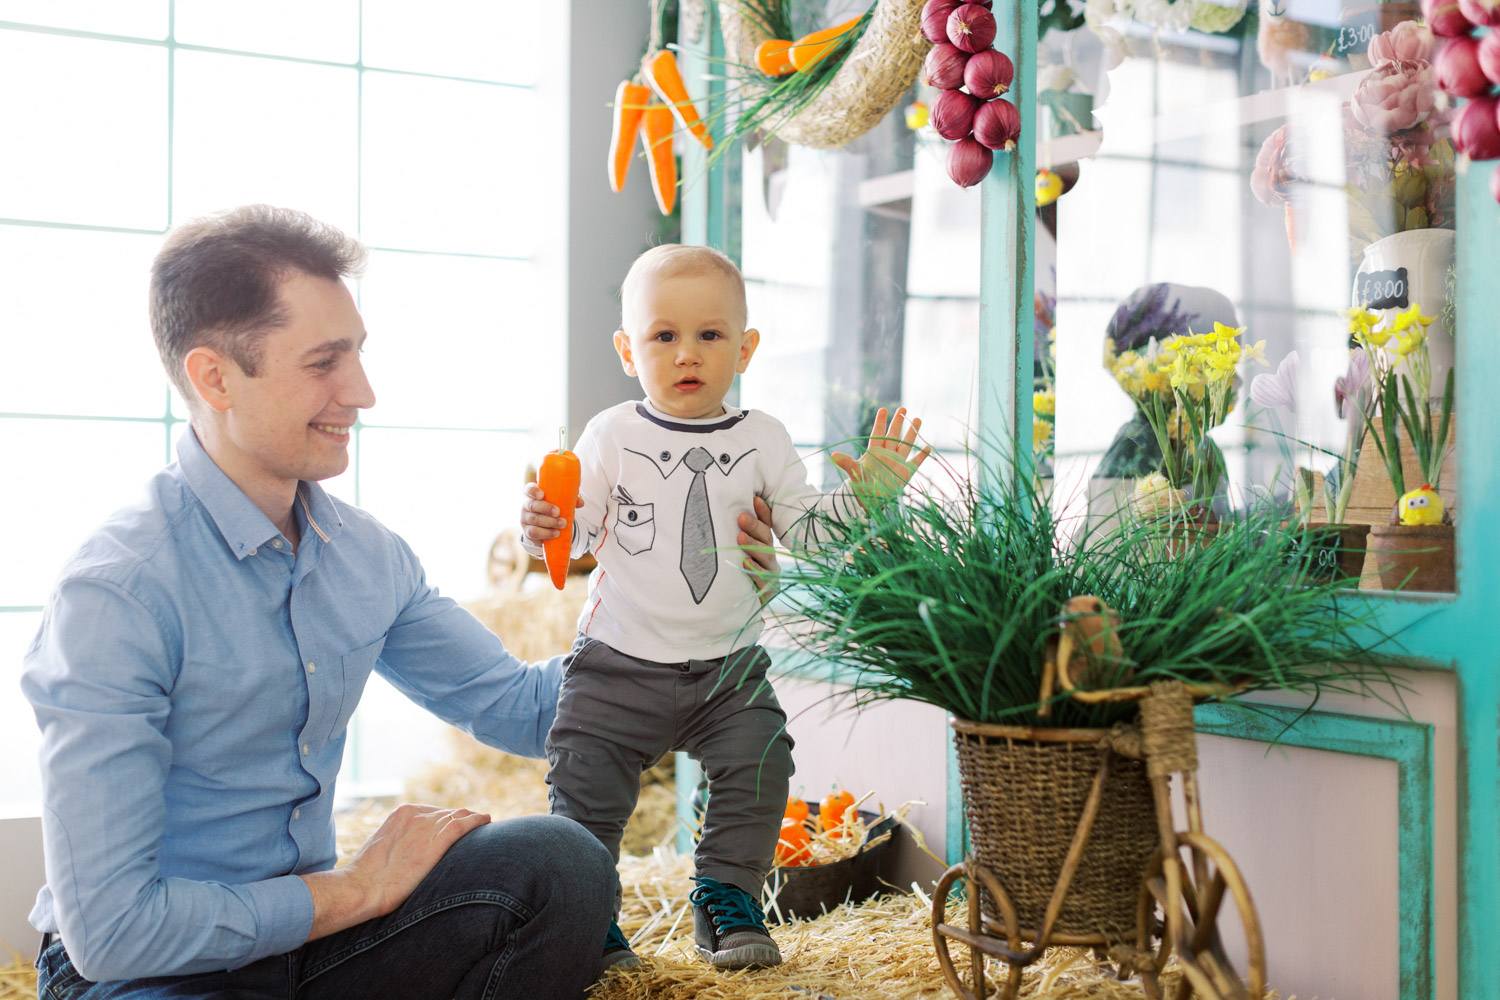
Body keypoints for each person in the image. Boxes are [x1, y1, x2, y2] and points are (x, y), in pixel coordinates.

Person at [21, 207, 786, 1000]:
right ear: (215, 377)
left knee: (561, 865)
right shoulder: (118, 592)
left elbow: (524, 709)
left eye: (357, 353)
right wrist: (355, 891)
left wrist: (700, 617)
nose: (362, 392)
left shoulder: (364, 556)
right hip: (147, 974)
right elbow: (112, 932)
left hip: (310, 951)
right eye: (324, 362)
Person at [519, 244, 928, 972]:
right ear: (627, 351)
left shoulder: (763, 438)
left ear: (745, 348)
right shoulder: (612, 435)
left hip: (728, 670)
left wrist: (864, 499)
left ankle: (725, 899)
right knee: (585, 789)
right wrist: (546, 526)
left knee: (761, 767)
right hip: (617, 664)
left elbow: (808, 532)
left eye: (710, 335)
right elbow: (577, 532)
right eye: (663, 335)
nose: (687, 354)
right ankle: (589, 913)